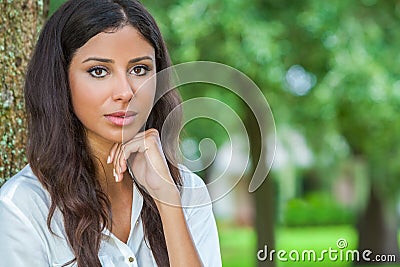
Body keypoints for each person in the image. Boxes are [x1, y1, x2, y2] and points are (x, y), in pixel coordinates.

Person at [0, 0, 221, 266]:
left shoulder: (187, 192)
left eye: (139, 69)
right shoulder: (23, 208)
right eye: (99, 71)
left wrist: (169, 203)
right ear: (60, 80)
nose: (125, 92)